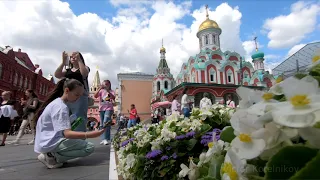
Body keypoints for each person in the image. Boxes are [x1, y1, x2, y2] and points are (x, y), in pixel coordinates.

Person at [34, 78, 107, 169]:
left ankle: (52, 155)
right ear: (67, 90)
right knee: (89, 147)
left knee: (80, 143)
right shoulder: (61, 107)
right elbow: (67, 134)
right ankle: (53, 156)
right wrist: (90, 134)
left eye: (80, 96)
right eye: (76, 95)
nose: (78, 98)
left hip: (46, 140)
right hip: (50, 142)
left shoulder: (57, 103)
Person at [54, 51, 90, 132]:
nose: (73, 58)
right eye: (71, 57)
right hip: (68, 96)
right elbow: (57, 75)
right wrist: (63, 62)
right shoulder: (68, 70)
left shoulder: (85, 68)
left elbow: (84, 74)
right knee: (66, 116)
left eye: (75, 56)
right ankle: (69, 136)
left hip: (80, 96)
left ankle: (80, 137)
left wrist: (80, 61)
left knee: (79, 117)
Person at [94, 80, 115, 145]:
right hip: (101, 109)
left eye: (106, 84)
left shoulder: (111, 91)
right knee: (102, 124)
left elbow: (113, 97)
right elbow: (95, 96)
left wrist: (108, 91)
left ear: (109, 84)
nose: (105, 85)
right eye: (104, 84)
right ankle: (104, 139)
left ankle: (105, 139)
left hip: (109, 108)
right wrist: (100, 88)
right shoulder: (101, 91)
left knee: (105, 122)